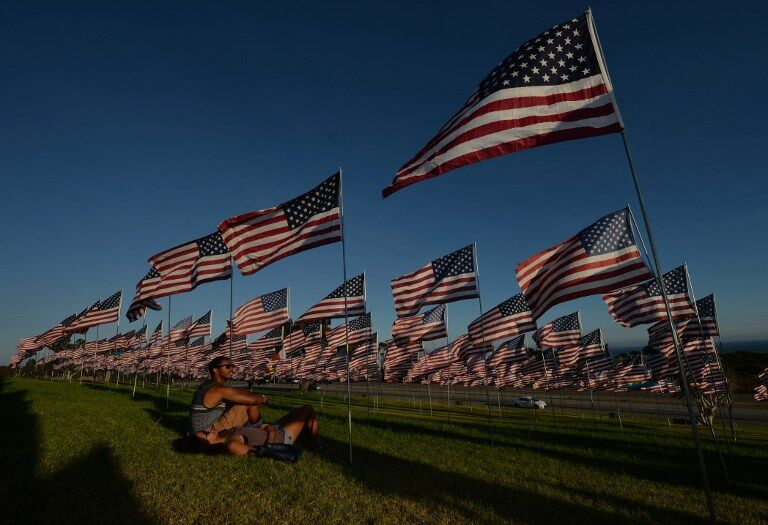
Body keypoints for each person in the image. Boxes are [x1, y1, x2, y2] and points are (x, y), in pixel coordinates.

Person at [188, 356, 268, 443]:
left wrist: (255, 396)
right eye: (228, 366)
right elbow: (252, 400)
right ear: (215, 370)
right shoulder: (218, 390)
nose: (232, 369)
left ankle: (256, 431)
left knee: (243, 401)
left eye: (232, 366)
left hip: (198, 432)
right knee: (249, 403)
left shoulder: (209, 385)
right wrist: (262, 398)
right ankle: (261, 435)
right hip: (207, 434)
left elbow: (237, 392)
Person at [221, 404, 321, 456]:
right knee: (308, 409)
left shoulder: (226, 434)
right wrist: (271, 435)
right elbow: (263, 452)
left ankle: (311, 439)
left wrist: (256, 429)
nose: (208, 432)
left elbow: (250, 437)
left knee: (305, 409)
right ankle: (316, 445)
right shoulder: (232, 443)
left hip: (273, 429)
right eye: (206, 434)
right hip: (280, 438)